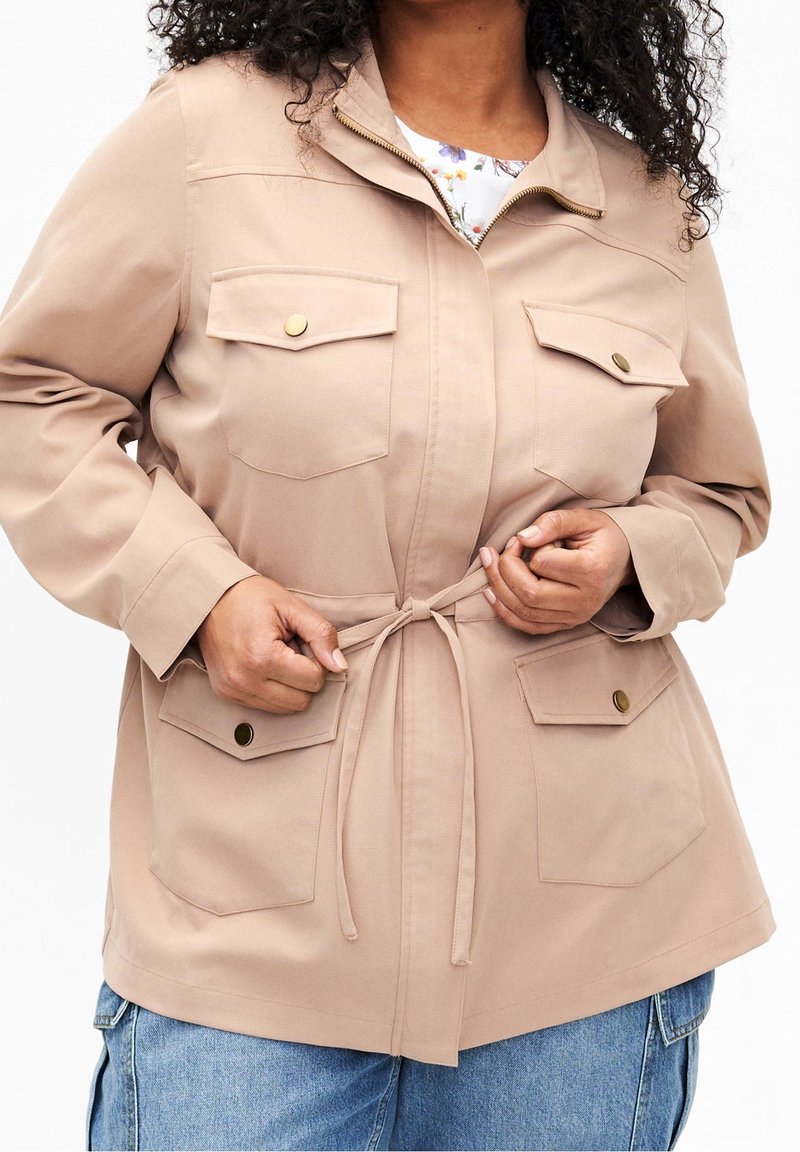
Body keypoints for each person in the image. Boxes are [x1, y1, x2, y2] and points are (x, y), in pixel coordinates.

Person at [0, 0, 776, 1147]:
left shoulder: (642, 204)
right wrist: (197, 595)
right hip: (250, 930)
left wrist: (626, 556)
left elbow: (718, 495)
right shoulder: (204, 137)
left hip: (583, 938)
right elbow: (32, 398)